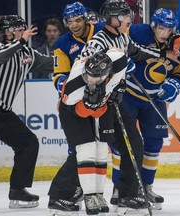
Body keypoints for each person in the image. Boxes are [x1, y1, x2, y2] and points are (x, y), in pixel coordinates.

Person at [79, 0, 166, 215]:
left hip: (112, 102)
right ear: (114, 19)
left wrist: (162, 56)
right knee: (89, 150)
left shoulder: (122, 37)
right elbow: (86, 72)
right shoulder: (98, 41)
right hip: (92, 105)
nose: (131, 19)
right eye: (126, 16)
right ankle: (64, 193)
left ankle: (126, 194)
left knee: (134, 145)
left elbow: (137, 52)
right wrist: (113, 66)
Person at [109, 8, 180, 211]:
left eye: (168, 29)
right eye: (161, 28)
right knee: (124, 143)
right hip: (128, 96)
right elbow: (113, 38)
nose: (164, 33)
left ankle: (146, 186)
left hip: (154, 99)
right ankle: (120, 188)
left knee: (154, 143)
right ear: (153, 26)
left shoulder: (178, 44)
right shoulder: (137, 32)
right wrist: (120, 58)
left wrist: (176, 84)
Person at [0, 15, 53, 209]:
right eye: (18, 29)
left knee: (28, 143)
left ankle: (17, 191)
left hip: (3, 112)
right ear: (7, 31)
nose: (21, 31)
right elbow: (0, 58)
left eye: (21, 29)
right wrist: (22, 40)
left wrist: (81, 59)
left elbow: (54, 63)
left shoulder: (28, 54)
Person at [47, 2, 105, 215]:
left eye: (77, 20)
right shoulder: (62, 43)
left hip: (103, 101)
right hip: (78, 104)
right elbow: (59, 75)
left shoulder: (101, 31)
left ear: (86, 19)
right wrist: (68, 92)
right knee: (82, 149)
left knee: (98, 148)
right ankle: (62, 193)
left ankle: (95, 191)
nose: (73, 25)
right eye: (69, 22)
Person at [59, 49, 127, 215]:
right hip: (73, 111)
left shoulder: (118, 60)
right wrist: (89, 105)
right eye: (88, 75)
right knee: (87, 148)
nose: (90, 79)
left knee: (102, 148)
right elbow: (77, 111)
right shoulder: (75, 86)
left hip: (100, 109)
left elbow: (125, 55)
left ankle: (98, 194)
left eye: (95, 77)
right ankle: (89, 196)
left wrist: (119, 85)